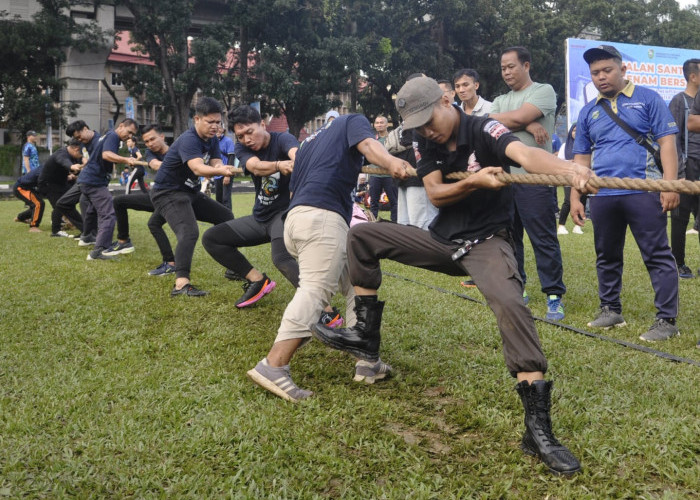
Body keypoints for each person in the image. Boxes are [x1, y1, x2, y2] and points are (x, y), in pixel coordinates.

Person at [312, 76, 592, 475]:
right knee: (362, 235)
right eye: (418, 126)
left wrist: (568, 170)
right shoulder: (423, 141)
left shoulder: (484, 127)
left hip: (488, 242)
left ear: (447, 101)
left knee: (511, 304)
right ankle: (365, 333)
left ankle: (538, 430)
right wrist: (477, 179)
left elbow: (527, 158)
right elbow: (436, 194)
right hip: (443, 240)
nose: (426, 130)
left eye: (429, 120)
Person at [246, 113, 411, 403]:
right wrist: (393, 162)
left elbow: (295, 187)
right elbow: (369, 146)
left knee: (356, 281)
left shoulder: (309, 142)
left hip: (296, 219)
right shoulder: (353, 120)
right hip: (322, 219)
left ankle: (367, 361)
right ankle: (273, 365)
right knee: (315, 288)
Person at [570, 45, 680, 343]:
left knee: (657, 255)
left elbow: (668, 144)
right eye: (595, 73)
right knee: (606, 255)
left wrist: (670, 185)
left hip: (644, 190)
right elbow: (581, 160)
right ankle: (610, 309)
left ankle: (666, 320)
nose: (601, 77)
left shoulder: (648, 98)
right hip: (602, 195)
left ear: (623, 70)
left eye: (607, 70)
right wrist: (575, 197)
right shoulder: (588, 110)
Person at [202, 105, 344, 326]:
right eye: (240, 136)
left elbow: (296, 153)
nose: (246, 139)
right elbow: (255, 167)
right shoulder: (242, 149)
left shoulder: (282, 139)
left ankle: (326, 310)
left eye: (250, 131)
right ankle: (257, 280)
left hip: (284, 214)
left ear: (262, 124)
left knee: (281, 258)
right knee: (212, 238)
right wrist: (279, 165)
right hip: (260, 217)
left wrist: (297, 160)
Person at [490, 46, 566, 321]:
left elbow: (513, 119)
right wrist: (525, 125)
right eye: (503, 68)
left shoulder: (543, 91)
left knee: (543, 239)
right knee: (510, 239)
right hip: (506, 180)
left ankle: (554, 295)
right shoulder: (500, 99)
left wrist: (520, 121)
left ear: (526, 66)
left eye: (511, 66)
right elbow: (488, 127)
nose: (506, 72)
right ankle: (517, 288)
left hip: (536, 178)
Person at [150, 97, 235, 297]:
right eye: (210, 122)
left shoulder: (212, 139)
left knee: (226, 217)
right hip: (167, 192)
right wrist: (220, 172)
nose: (215, 127)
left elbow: (214, 161)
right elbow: (197, 168)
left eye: (218, 122)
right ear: (197, 119)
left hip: (189, 192)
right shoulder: (189, 139)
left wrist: (220, 167)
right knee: (188, 232)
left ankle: (233, 267)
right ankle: (181, 284)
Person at [107, 125, 176, 274]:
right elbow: (154, 164)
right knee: (119, 201)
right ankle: (123, 241)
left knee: (154, 223)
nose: (150, 144)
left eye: (152, 139)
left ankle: (171, 263)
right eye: (146, 141)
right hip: (157, 195)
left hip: (174, 197)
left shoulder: (177, 151)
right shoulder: (150, 152)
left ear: (162, 137)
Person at [76, 119, 139, 260]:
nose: (129, 136)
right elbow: (106, 155)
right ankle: (100, 250)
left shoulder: (107, 135)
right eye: (129, 132)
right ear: (121, 126)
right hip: (94, 182)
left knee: (92, 210)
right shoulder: (113, 136)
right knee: (108, 214)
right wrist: (126, 159)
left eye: (132, 135)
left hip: (86, 180)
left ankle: (86, 237)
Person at [454, 69, 492, 287]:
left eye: (466, 85)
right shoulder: (454, 112)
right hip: (463, 176)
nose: (461, 90)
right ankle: (477, 273)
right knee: (471, 225)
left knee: (490, 227)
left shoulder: (490, 109)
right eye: (458, 86)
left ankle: (494, 272)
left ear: (476, 85)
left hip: (488, 174)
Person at [673, 59, 700, 279]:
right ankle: (678, 262)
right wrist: (679, 173)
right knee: (681, 217)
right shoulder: (679, 100)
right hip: (688, 164)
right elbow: (672, 138)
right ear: (693, 76)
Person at [58, 120, 101, 246]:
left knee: (85, 202)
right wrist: (81, 163)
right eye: (76, 138)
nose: (79, 139)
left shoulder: (99, 141)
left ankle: (91, 235)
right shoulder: (83, 142)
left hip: (94, 180)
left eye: (79, 136)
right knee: (63, 203)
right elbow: (83, 156)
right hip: (83, 179)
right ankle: (87, 231)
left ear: (85, 128)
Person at [37, 138, 84, 237]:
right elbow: (63, 161)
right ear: (76, 149)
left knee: (67, 203)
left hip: (61, 183)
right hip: (48, 184)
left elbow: (78, 167)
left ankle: (86, 230)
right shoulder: (61, 153)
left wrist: (77, 169)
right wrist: (72, 167)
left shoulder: (74, 155)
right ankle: (56, 231)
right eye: (82, 151)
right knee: (60, 206)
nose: (82, 155)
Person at [368, 115, 399, 222]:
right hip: (374, 175)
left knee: (394, 202)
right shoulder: (372, 139)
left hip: (389, 175)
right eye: (377, 123)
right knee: (373, 202)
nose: (379, 125)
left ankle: (394, 224)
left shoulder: (392, 138)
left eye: (381, 122)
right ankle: (372, 223)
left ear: (386, 125)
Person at [556, 124, 585, 235]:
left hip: (582, 177)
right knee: (568, 201)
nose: (575, 133)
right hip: (569, 177)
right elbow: (559, 162)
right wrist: (570, 162)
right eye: (573, 130)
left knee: (582, 200)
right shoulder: (564, 146)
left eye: (578, 131)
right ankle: (561, 226)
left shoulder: (585, 145)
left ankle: (578, 226)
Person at [13, 165, 44, 232]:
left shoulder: (48, 167)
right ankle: (33, 227)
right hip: (21, 188)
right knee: (38, 204)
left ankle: (20, 217)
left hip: (27, 187)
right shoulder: (45, 169)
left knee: (39, 204)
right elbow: (41, 181)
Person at [214, 124, 235, 209]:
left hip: (226, 173)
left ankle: (229, 220)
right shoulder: (212, 142)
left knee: (225, 198)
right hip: (216, 173)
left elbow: (231, 158)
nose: (218, 130)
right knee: (218, 199)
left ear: (223, 130)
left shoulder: (228, 141)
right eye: (216, 128)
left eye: (219, 128)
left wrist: (227, 175)